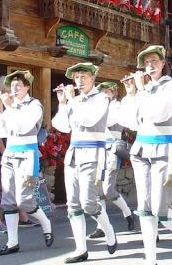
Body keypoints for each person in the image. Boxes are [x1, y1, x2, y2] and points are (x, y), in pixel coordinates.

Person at [119, 45, 172, 265]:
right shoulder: (143, 89)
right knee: (144, 207)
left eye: (154, 61)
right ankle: (151, 259)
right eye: (146, 63)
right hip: (141, 148)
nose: (149, 66)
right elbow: (129, 122)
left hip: (164, 149)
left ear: (163, 63)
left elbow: (159, 114)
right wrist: (131, 95)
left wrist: (141, 91)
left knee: (160, 208)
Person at [52, 63, 117, 263]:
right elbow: (61, 126)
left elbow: (88, 119)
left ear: (93, 78)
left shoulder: (102, 99)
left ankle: (109, 231)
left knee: (89, 203)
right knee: (73, 204)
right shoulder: (75, 100)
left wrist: (72, 100)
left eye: (83, 76)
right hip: (74, 153)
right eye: (77, 77)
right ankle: (81, 249)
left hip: (93, 153)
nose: (79, 80)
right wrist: (63, 104)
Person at [0, 70, 53, 256]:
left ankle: (46, 223)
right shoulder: (10, 105)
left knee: (25, 199)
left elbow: (24, 126)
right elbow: (1, 132)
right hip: (9, 155)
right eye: (12, 85)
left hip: (28, 156)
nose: (14, 88)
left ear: (27, 87)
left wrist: (9, 108)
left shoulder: (34, 105)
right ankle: (12, 242)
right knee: (8, 200)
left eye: (19, 85)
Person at [0, 77, 38, 234]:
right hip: (2, 153)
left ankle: (23, 218)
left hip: (15, 151)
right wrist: (4, 153)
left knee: (17, 185)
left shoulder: (12, 106)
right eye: (8, 89)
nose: (11, 92)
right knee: (0, 185)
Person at [87, 81, 135, 239]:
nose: (105, 94)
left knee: (108, 189)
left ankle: (128, 213)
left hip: (112, 149)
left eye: (108, 91)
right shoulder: (98, 107)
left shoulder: (116, 106)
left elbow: (109, 120)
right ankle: (101, 226)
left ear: (113, 93)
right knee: (98, 189)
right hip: (97, 149)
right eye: (102, 92)